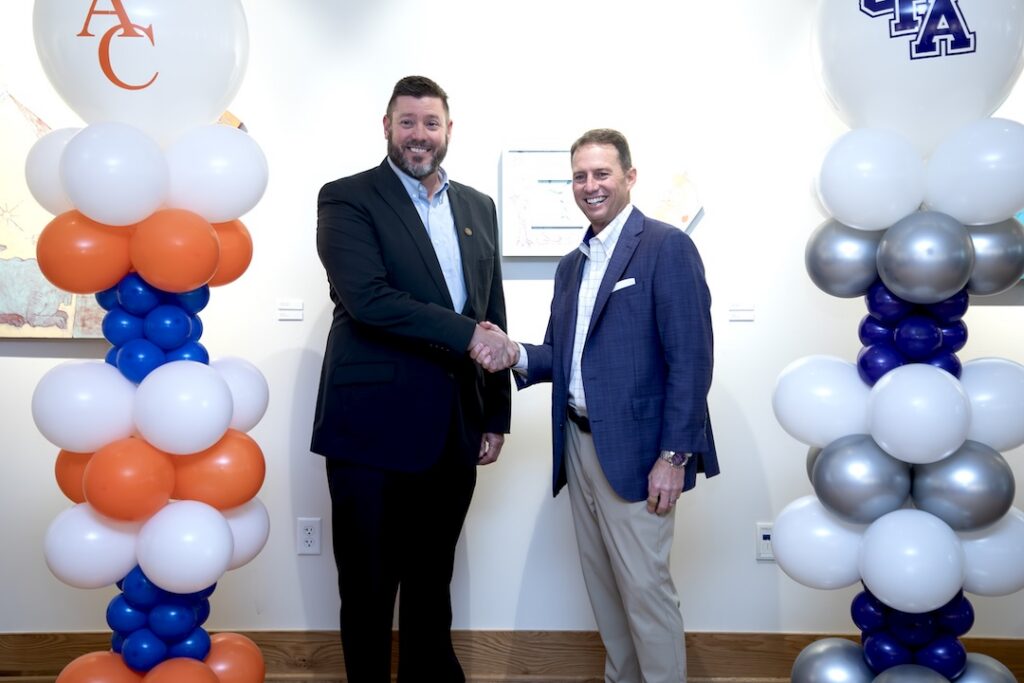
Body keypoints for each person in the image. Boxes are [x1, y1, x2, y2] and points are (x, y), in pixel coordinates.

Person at [474, 128, 718, 683]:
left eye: (602, 173)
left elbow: (692, 359)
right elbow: (565, 356)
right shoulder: (572, 266)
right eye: (580, 176)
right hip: (579, 446)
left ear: (629, 177)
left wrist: (674, 456)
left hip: (641, 453)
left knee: (646, 594)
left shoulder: (665, 247)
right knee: (606, 594)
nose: (591, 185)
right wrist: (513, 352)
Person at [311, 75, 514, 683]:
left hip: (454, 424)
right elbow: (370, 299)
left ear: (448, 130)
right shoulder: (346, 198)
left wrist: (495, 414)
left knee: (433, 584)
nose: (419, 135)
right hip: (370, 431)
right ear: (387, 127)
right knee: (369, 589)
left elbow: (491, 310)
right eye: (408, 123)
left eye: (431, 123)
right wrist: (467, 334)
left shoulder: (478, 207)